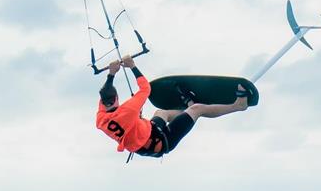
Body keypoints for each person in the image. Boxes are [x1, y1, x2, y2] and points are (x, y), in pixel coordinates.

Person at [96, 55, 250, 157]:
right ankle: (238, 105)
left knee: (161, 112)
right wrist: (132, 66)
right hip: (161, 142)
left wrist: (111, 74)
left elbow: (106, 96)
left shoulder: (101, 119)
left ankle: (188, 110)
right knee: (198, 110)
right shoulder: (128, 110)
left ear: (102, 103)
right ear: (116, 98)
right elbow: (145, 89)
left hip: (147, 134)